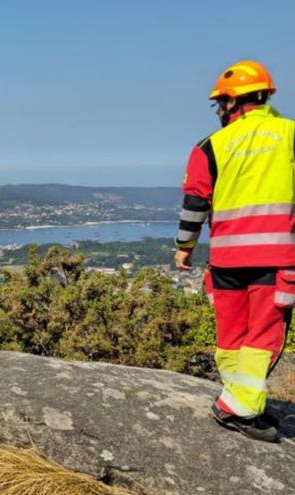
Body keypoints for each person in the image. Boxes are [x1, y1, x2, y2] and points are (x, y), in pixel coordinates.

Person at [175, 60, 295, 443]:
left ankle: (240, 398)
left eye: (220, 105)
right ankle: (238, 407)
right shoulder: (290, 135)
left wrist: (184, 248)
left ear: (232, 102)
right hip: (274, 260)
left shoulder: (210, 146)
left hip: (226, 261)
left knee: (231, 335)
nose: (219, 112)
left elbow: (195, 202)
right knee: (263, 337)